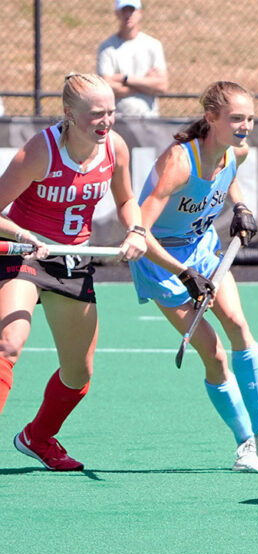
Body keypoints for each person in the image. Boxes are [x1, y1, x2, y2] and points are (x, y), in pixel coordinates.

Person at [128, 81, 258, 472]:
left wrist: (240, 205)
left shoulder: (236, 152)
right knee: (212, 350)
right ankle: (245, 444)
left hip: (201, 248)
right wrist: (183, 273)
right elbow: (140, 232)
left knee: (239, 325)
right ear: (211, 118)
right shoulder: (178, 163)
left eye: (250, 118)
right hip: (160, 261)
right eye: (236, 118)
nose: (245, 126)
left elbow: (230, 175)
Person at [0, 73, 148, 470]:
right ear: (69, 113)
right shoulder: (40, 151)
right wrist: (25, 235)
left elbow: (127, 199)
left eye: (111, 112)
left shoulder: (115, 148)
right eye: (96, 114)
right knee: (9, 343)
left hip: (73, 261)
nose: (106, 122)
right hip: (26, 256)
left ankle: (38, 437)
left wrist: (135, 229)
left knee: (78, 372)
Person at [96, 0, 168, 118]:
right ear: (117, 13)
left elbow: (162, 85)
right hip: (118, 121)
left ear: (140, 12)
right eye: (124, 10)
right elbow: (106, 88)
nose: (128, 14)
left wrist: (125, 79)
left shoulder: (153, 45)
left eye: (132, 10)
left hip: (149, 119)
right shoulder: (106, 47)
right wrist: (144, 83)